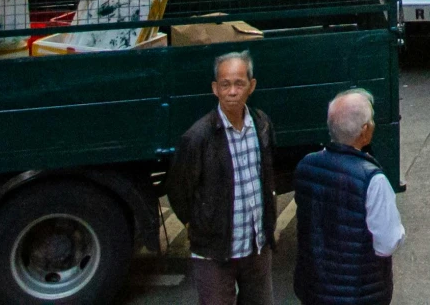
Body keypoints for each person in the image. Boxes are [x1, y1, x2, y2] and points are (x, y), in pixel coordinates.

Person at [167, 51, 279, 304]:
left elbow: (267, 176)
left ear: (251, 86)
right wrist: (202, 225)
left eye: (239, 84)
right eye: (225, 85)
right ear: (215, 89)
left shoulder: (262, 125)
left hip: (256, 248)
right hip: (214, 252)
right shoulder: (197, 138)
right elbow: (178, 191)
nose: (232, 92)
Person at [292, 90, 405, 295]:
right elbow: (387, 244)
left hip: (313, 290)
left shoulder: (306, 166)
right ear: (364, 130)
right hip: (359, 294)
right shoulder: (374, 180)